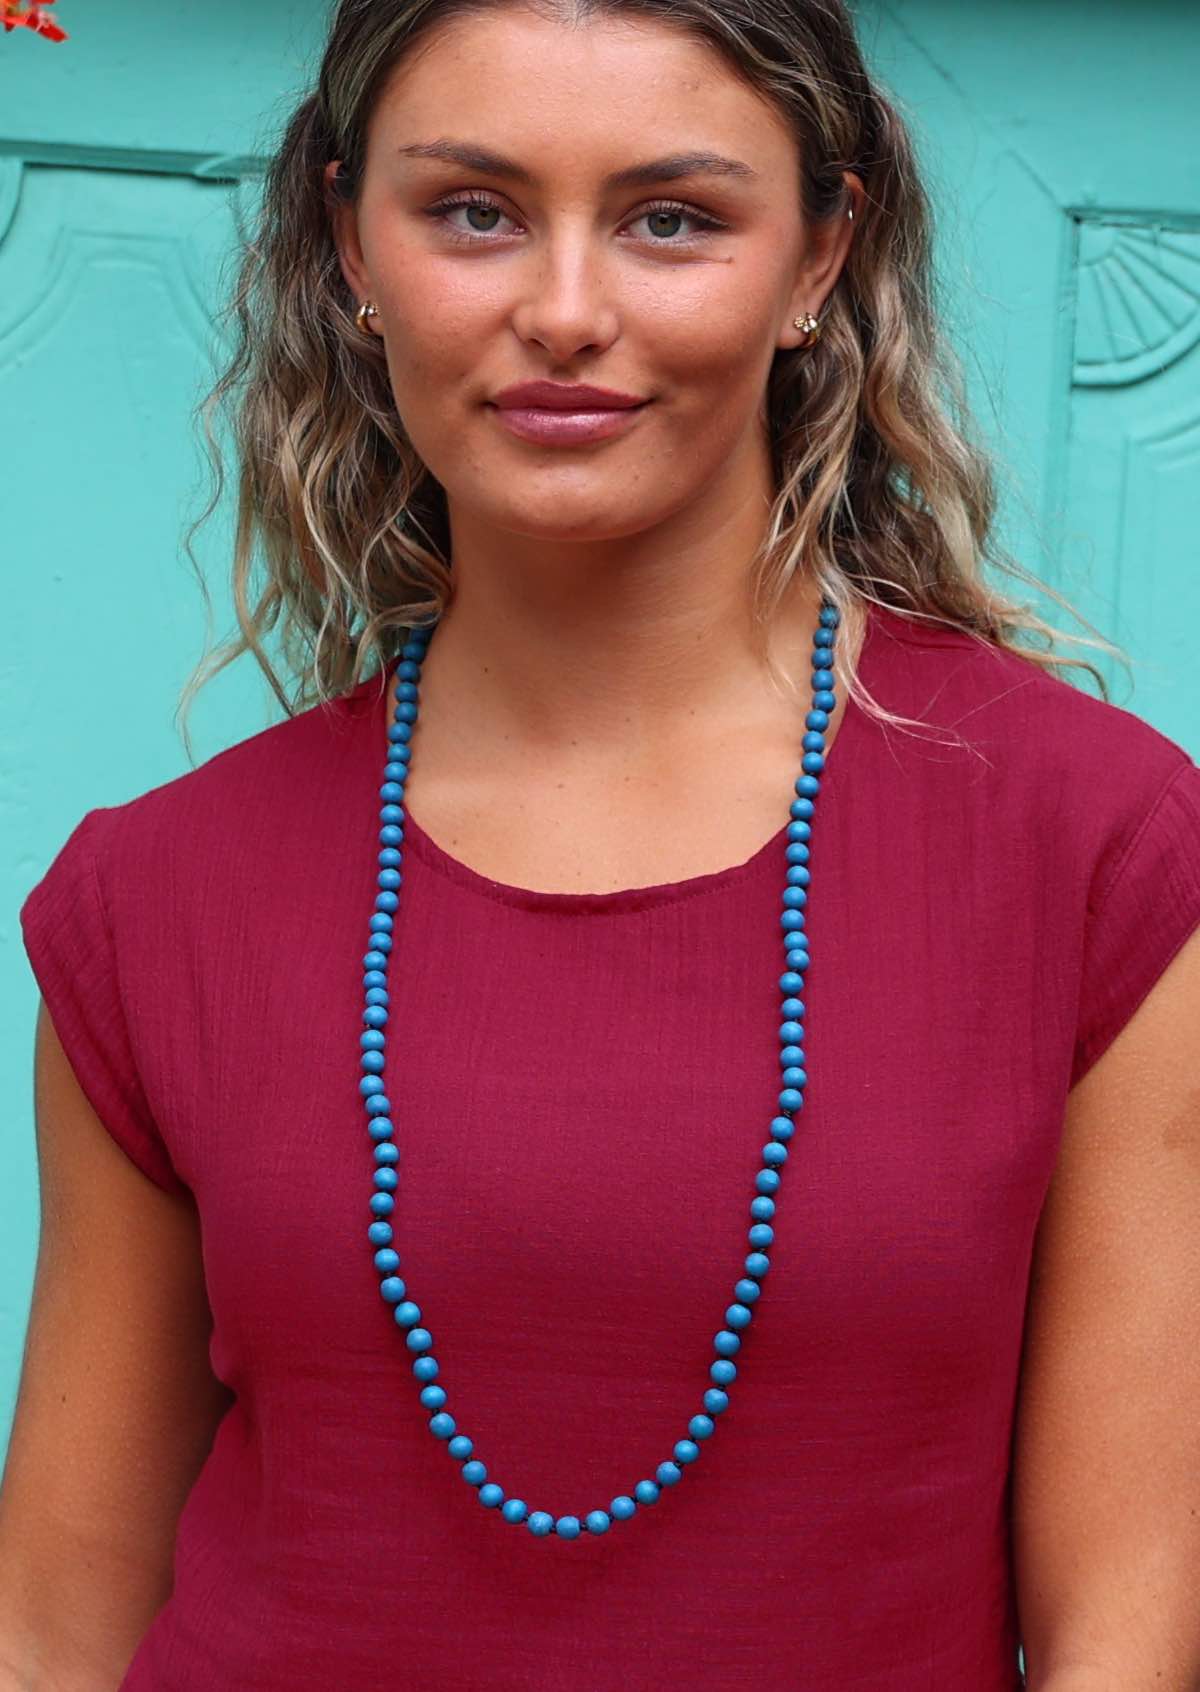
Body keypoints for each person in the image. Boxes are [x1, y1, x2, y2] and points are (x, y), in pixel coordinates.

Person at [3, 0, 1199, 1687]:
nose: (564, 311)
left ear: (818, 257)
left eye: (673, 220)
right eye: (473, 211)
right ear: (350, 245)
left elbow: (1128, 1633)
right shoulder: (155, 900)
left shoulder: (1096, 852)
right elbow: (54, 1623)